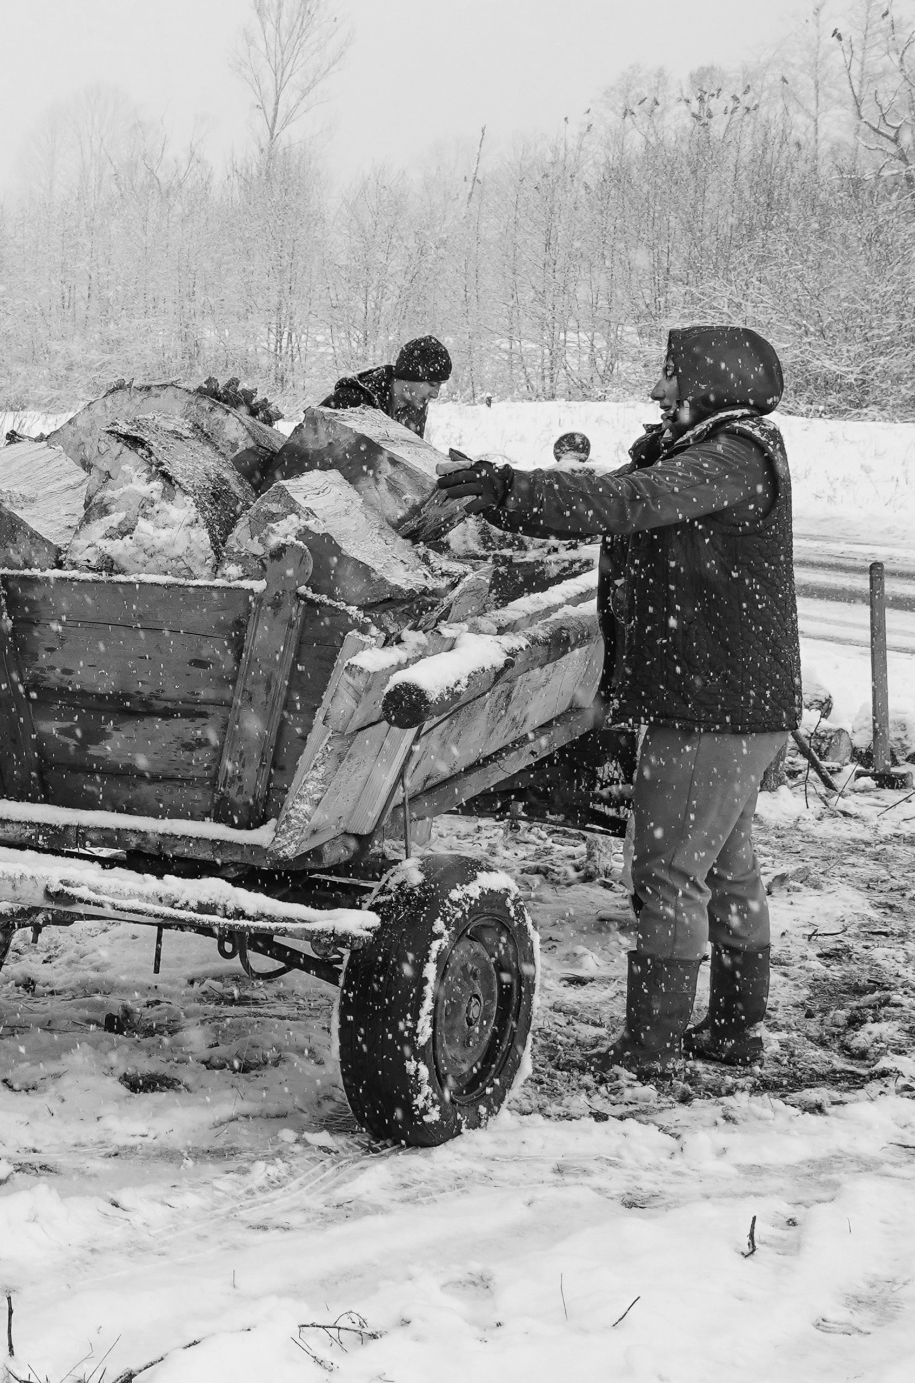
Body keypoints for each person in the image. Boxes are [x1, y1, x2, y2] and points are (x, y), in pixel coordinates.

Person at [432, 326, 798, 1074]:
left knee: (667, 876)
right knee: (726, 870)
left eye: (671, 376)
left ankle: (650, 1048)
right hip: (735, 703)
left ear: (712, 385)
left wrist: (509, 489)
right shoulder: (732, 449)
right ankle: (732, 1028)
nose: (658, 390)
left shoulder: (731, 457)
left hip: (709, 708)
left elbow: (629, 504)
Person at [320, 334, 452, 436]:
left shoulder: (416, 407)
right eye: (432, 384)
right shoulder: (351, 400)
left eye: (440, 385)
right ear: (410, 376)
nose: (435, 394)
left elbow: (407, 463)